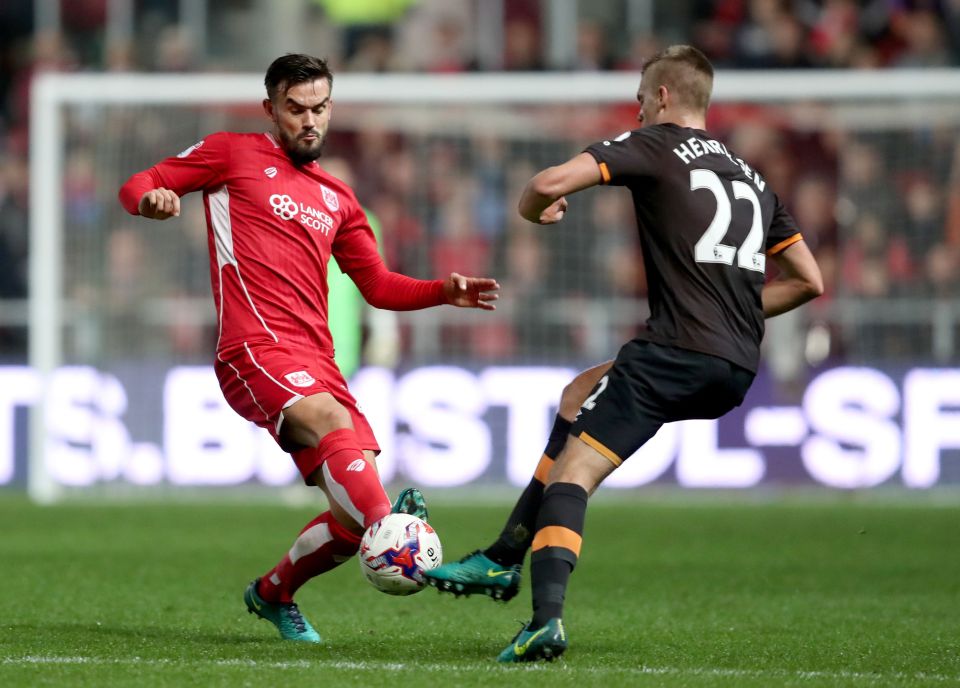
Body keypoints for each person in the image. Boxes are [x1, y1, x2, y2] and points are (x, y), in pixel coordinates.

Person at [424, 45, 823, 663]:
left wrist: (540, 211)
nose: (636, 110)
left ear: (662, 96)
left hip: (676, 350)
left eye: (640, 97)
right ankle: (504, 555)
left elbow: (543, 184)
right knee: (577, 394)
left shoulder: (657, 144)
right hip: (737, 366)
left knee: (573, 474)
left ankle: (543, 621)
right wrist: (740, 314)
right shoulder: (753, 176)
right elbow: (807, 280)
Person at [118, 54, 499, 644]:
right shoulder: (231, 153)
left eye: (319, 108)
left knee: (348, 523)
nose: (309, 121)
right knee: (333, 431)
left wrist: (441, 291)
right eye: (295, 109)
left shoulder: (338, 199)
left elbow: (378, 286)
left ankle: (274, 593)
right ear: (271, 109)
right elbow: (139, 182)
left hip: (318, 361)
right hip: (253, 348)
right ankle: (401, 538)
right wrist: (151, 201)